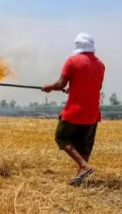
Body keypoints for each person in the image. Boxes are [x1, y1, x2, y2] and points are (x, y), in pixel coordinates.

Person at [41, 31, 105, 185]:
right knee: (84, 144)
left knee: (61, 137)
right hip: (93, 113)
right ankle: (81, 176)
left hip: (75, 111)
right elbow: (96, 87)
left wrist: (49, 87)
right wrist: (74, 88)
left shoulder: (72, 61)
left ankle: (84, 166)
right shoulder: (101, 65)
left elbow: (60, 84)